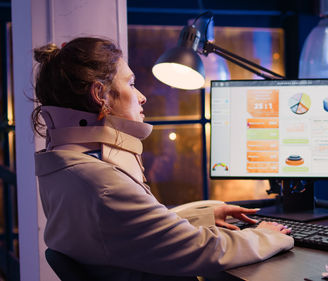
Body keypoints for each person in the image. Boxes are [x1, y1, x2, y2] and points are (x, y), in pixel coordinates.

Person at [32, 37, 293, 280]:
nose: (142, 96)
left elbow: (125, 232)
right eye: (131, 84)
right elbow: (207, 251)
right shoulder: (101, 182)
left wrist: (203, 217)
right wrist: (264, 236)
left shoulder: (63, 166)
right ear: (100, 94)